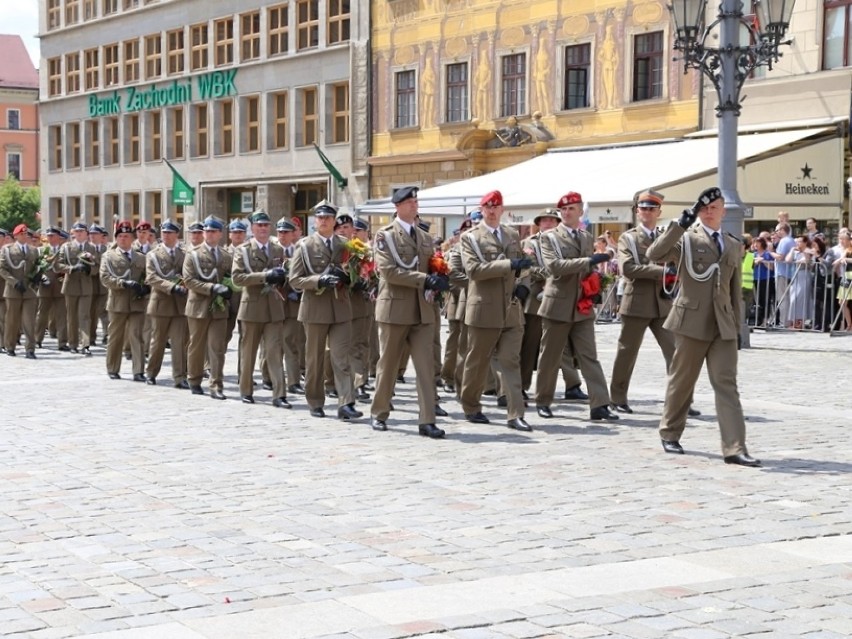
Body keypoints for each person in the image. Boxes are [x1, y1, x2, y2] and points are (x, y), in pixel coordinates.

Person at [646, 186, 760, 467]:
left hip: (722, 325)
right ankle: (670, 432)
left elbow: (734, 291)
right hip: (690, 322)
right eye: (705, 208)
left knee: (727, 384)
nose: (710, 212)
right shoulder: (686, 238)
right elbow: (654, 253)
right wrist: (680, 224)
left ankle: (735, 447)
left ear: (723, 210)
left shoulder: (733, 244)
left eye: (715, 207)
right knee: (682, 382)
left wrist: (736, 326)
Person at [369, 186, 447, 437]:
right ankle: (379, 412)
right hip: (395, 309)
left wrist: (442, 278)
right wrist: (425, 280)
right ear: (398, 206)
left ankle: (427, 419)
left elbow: (431, 267)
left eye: (416, 201)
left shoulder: (424, 237)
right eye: (410, 202)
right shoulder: (385, 236)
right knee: (389, 365)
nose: (415, 205)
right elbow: (389, 272)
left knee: (426, 367)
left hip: (422, 310)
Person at [534, 192, 619, 422]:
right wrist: (590, 261)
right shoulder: (549, 237)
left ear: (580, 211)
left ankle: (600, 403)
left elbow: (587, 270)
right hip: (557, 304)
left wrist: (595, 283)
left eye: (572, 209)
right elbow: (554, 266)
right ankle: (543, 400)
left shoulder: (584, 236)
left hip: (581, 305)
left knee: (589, 355)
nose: (567, 212)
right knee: (550, 356)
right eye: (564, 209)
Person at [459, 190, 532, 431]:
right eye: (487, 207)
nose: (491, 211)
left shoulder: (511, 235)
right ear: (482, 210)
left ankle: (515, 414)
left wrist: (523, 284)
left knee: (511, 361)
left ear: (502, 209)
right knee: (477, 362)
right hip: (484, 308)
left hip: (511, 308)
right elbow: (473, 270)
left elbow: (524, 266)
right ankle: (470, 405)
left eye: (496, 207)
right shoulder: (471, 238)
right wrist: (509, 265)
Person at [288, 201, 361, 421]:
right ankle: (315, 401)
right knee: (315, 359)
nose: (324, 221)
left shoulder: (345, 244)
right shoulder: (305, 245)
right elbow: (295, 279)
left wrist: (351, 278)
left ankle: (346, 402)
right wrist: (319, 280)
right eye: (320, 218)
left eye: (328, 218)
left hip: (340, 308)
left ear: (334, 220)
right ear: (315, 221)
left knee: (341, 357)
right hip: (315, 309)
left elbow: (355, 273)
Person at [609, 190, 680, 414]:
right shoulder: (628, 237)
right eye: (643, 208)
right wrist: (661, 271)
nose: (647, 212)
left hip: (662, 303)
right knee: (627, 353)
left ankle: (680, 399)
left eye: (652, 208)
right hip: (637, 302)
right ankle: (618, 397)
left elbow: (678, 262)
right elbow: (627, 268)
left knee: (675, 353)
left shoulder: (665, 236)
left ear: (659, 212)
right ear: (637, 211)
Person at [231, 210, 291, 408]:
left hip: (274, 308)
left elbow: (283, 274)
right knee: (248, 352)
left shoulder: (277, 249)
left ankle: (279, 394)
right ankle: (246, 390)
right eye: (259, 225)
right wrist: (265, 276)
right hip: (252, 308)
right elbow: (237, 279)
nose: (263, 228)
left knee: (274, 351)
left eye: (266, 225)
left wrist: (283, 278)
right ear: (253, 228)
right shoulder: (243, 250)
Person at [182, 216, 233, 399]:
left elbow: (230, 278)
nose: (209, 234)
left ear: (220, 234)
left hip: (219, 309)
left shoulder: (226, 256)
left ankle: (216, 385)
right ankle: (194, 379)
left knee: (217, 347)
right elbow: (189, 280)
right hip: (198, 306)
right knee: (196, 345)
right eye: (207, 231)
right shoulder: (193, 254)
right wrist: (212, 288)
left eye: (213, 231)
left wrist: (229, 289)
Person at [99, 220, 150, 381]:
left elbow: (148, 276)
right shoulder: (108, 256)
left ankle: (138, 370)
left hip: (137, 302)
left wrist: (146, 288)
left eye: (126, 236)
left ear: (132, 238)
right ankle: (113, 368)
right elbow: (105, 278)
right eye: (120, 236)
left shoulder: (141, 258)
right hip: (118, 302)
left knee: (137, 336)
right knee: (116, 337)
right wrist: (123, 283)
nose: (123, 239)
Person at [144, 219, 189, 388]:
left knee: (179, 342)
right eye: (164, 233)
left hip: (179, 304)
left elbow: (188, 273)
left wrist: (184, 284)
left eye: (170, 233)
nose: (166, 236)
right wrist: (171, 287)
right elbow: (151, 277)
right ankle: (151, 372)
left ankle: (179, 376)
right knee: (158, 341)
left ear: (177, 234)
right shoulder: (153, 254)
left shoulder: (184, 254)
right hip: (161, 303)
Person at [520, 209, 560, 397]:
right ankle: (522, 385)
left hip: (561, 298)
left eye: (552, 220)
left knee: (557, 347)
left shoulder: (562, 240)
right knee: (530, 344)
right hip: (536, 298)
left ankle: (565, 386)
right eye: (544, 220)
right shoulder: (531, 242)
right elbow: (529, 267)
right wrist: (554, 274)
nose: (548, 223)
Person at [0, 224, 39, 358]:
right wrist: (14, 282)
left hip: (29, 291)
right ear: (15, 235)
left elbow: (36, 268)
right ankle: (10, 346)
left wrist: (37, 277)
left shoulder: (33, 250)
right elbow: (2, 269)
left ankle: (30, 349)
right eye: (21, 234)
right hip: (13, 291)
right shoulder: (7, 250)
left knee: (29, 321)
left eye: (26, 234)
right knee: (12, 320)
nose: (24, 236)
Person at [35, 226, 68, 351]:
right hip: (45, 286)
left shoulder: (64, 250)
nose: (50, 238)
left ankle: (62, 342)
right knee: (41, 314)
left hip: (60, 285)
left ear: (59, 237)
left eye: (52, 236)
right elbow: (35, 267)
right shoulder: (41, 251)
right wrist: (41, 276)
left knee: (61, 315)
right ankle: (38, 339)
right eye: (48, 236)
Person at [771, 221, 795, 327]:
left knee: (782, 298)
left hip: (782, 273)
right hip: (789, 273)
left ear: (782, 230)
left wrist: (770, 252)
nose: (776, 233)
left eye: (777, 230)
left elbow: (780, 257)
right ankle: (787, 321)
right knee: (787, 298)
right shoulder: (791, 240)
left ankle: (783, 322)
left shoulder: (784, 241)